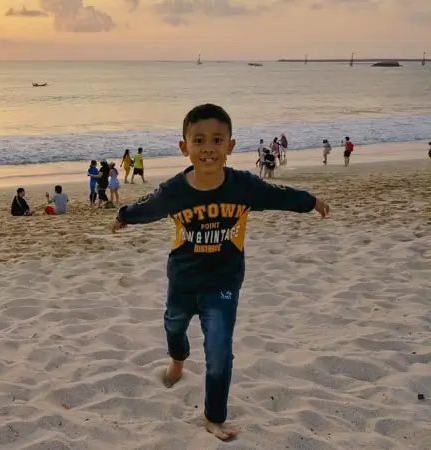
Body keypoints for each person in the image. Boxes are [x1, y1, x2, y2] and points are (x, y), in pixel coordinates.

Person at [111, 104, 330, 442]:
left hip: (224, 282)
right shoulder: (174, 191)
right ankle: (178, 360)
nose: (208, 147)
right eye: (199, 140)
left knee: (219, 352)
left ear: (230, 145)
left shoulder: (243, 187)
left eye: (217, 139)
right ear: (185, 147)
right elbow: (148, 206)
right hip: (182, 280)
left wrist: (310, 201)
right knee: (173, 326)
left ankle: (214, 417)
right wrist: (124, 215)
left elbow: (278, 196)